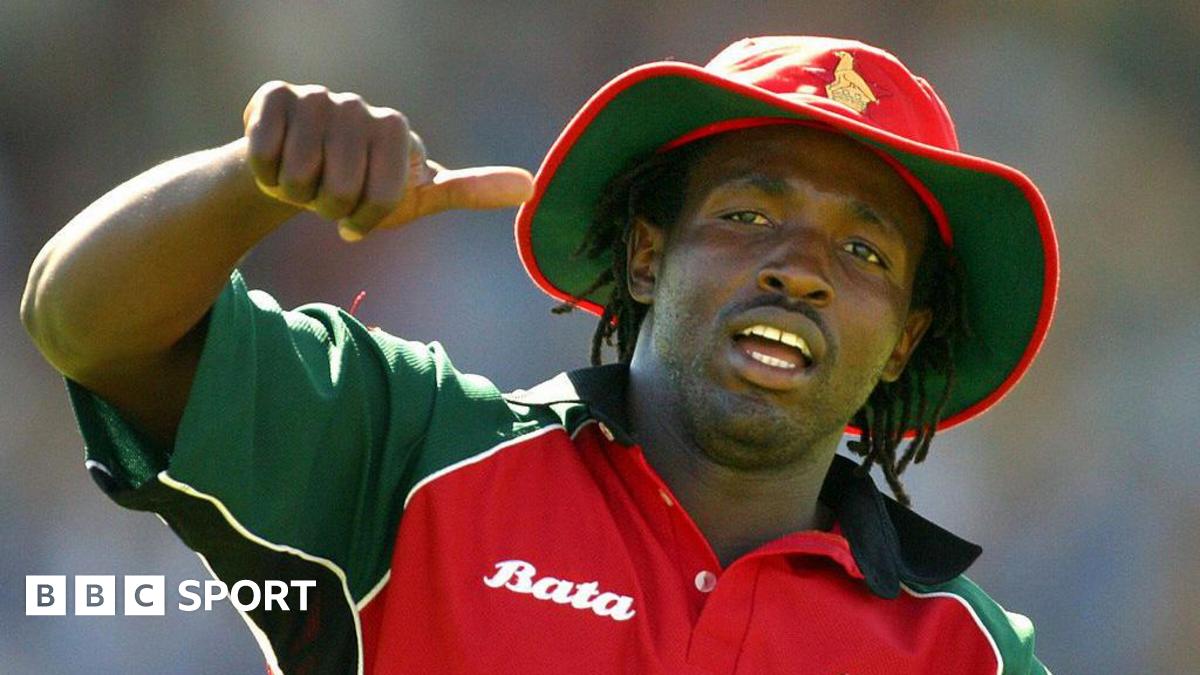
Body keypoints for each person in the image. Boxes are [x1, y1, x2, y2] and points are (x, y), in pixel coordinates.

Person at [22, 35, 1057, 674]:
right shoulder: (417, 451)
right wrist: (252, 183)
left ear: (902, 344)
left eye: (865, 249)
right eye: (748, 213)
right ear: (646, 257)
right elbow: (83, 323)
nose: (802, 270)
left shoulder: (966, 654)